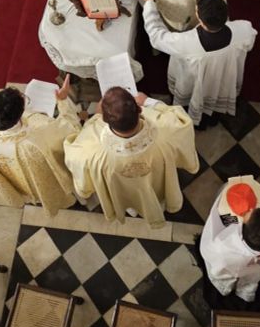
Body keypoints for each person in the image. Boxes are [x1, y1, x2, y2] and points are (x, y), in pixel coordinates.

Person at [64, 87, 197, 228]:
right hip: (158, 184)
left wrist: (95, 117)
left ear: (105, 119)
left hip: (120, 191)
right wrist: (148, 101)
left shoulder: (90, 149)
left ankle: (132, 208)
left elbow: (73, 155)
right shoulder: (166, 130)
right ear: (139, 109)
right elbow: (184, 122)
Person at [0, 76, 80, 216]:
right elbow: (72, 129)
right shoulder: (38, 134)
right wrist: (63, 100)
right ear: (19, 115)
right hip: (38, 175)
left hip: (9, 173)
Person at [137, 0, 256, 126]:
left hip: (194, 83)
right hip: (223, 76)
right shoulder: (242, 29)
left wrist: (149, 3)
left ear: (200, 19)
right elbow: (250, 41)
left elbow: (157, 36)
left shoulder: (186, 43)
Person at [199, 176, 260, 302]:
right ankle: (247, 289)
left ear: (242, 231)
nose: (251, 209)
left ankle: (225, 287)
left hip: (234, 267)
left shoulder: (223, 245)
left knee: (227, 275)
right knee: (255, 274)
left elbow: (210, 254)